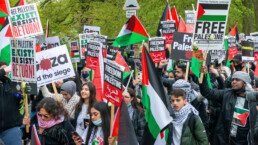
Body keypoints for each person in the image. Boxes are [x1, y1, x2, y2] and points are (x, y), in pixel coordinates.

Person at [200, 66, 252, 145]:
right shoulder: (227, 93)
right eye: (233, 79)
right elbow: (207, 93)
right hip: (223, 140)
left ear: (245, 83)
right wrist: (203, 76)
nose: (234, 82)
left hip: (242, 141)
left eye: (237, 80)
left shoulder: (252, 100)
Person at [0, 62, 23, 145]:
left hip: (11, 130)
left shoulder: (13, 85)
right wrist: (3, 70)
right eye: (3, 69)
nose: (6, 72)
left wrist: (24, 96)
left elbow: (22, 101)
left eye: (7, 70)